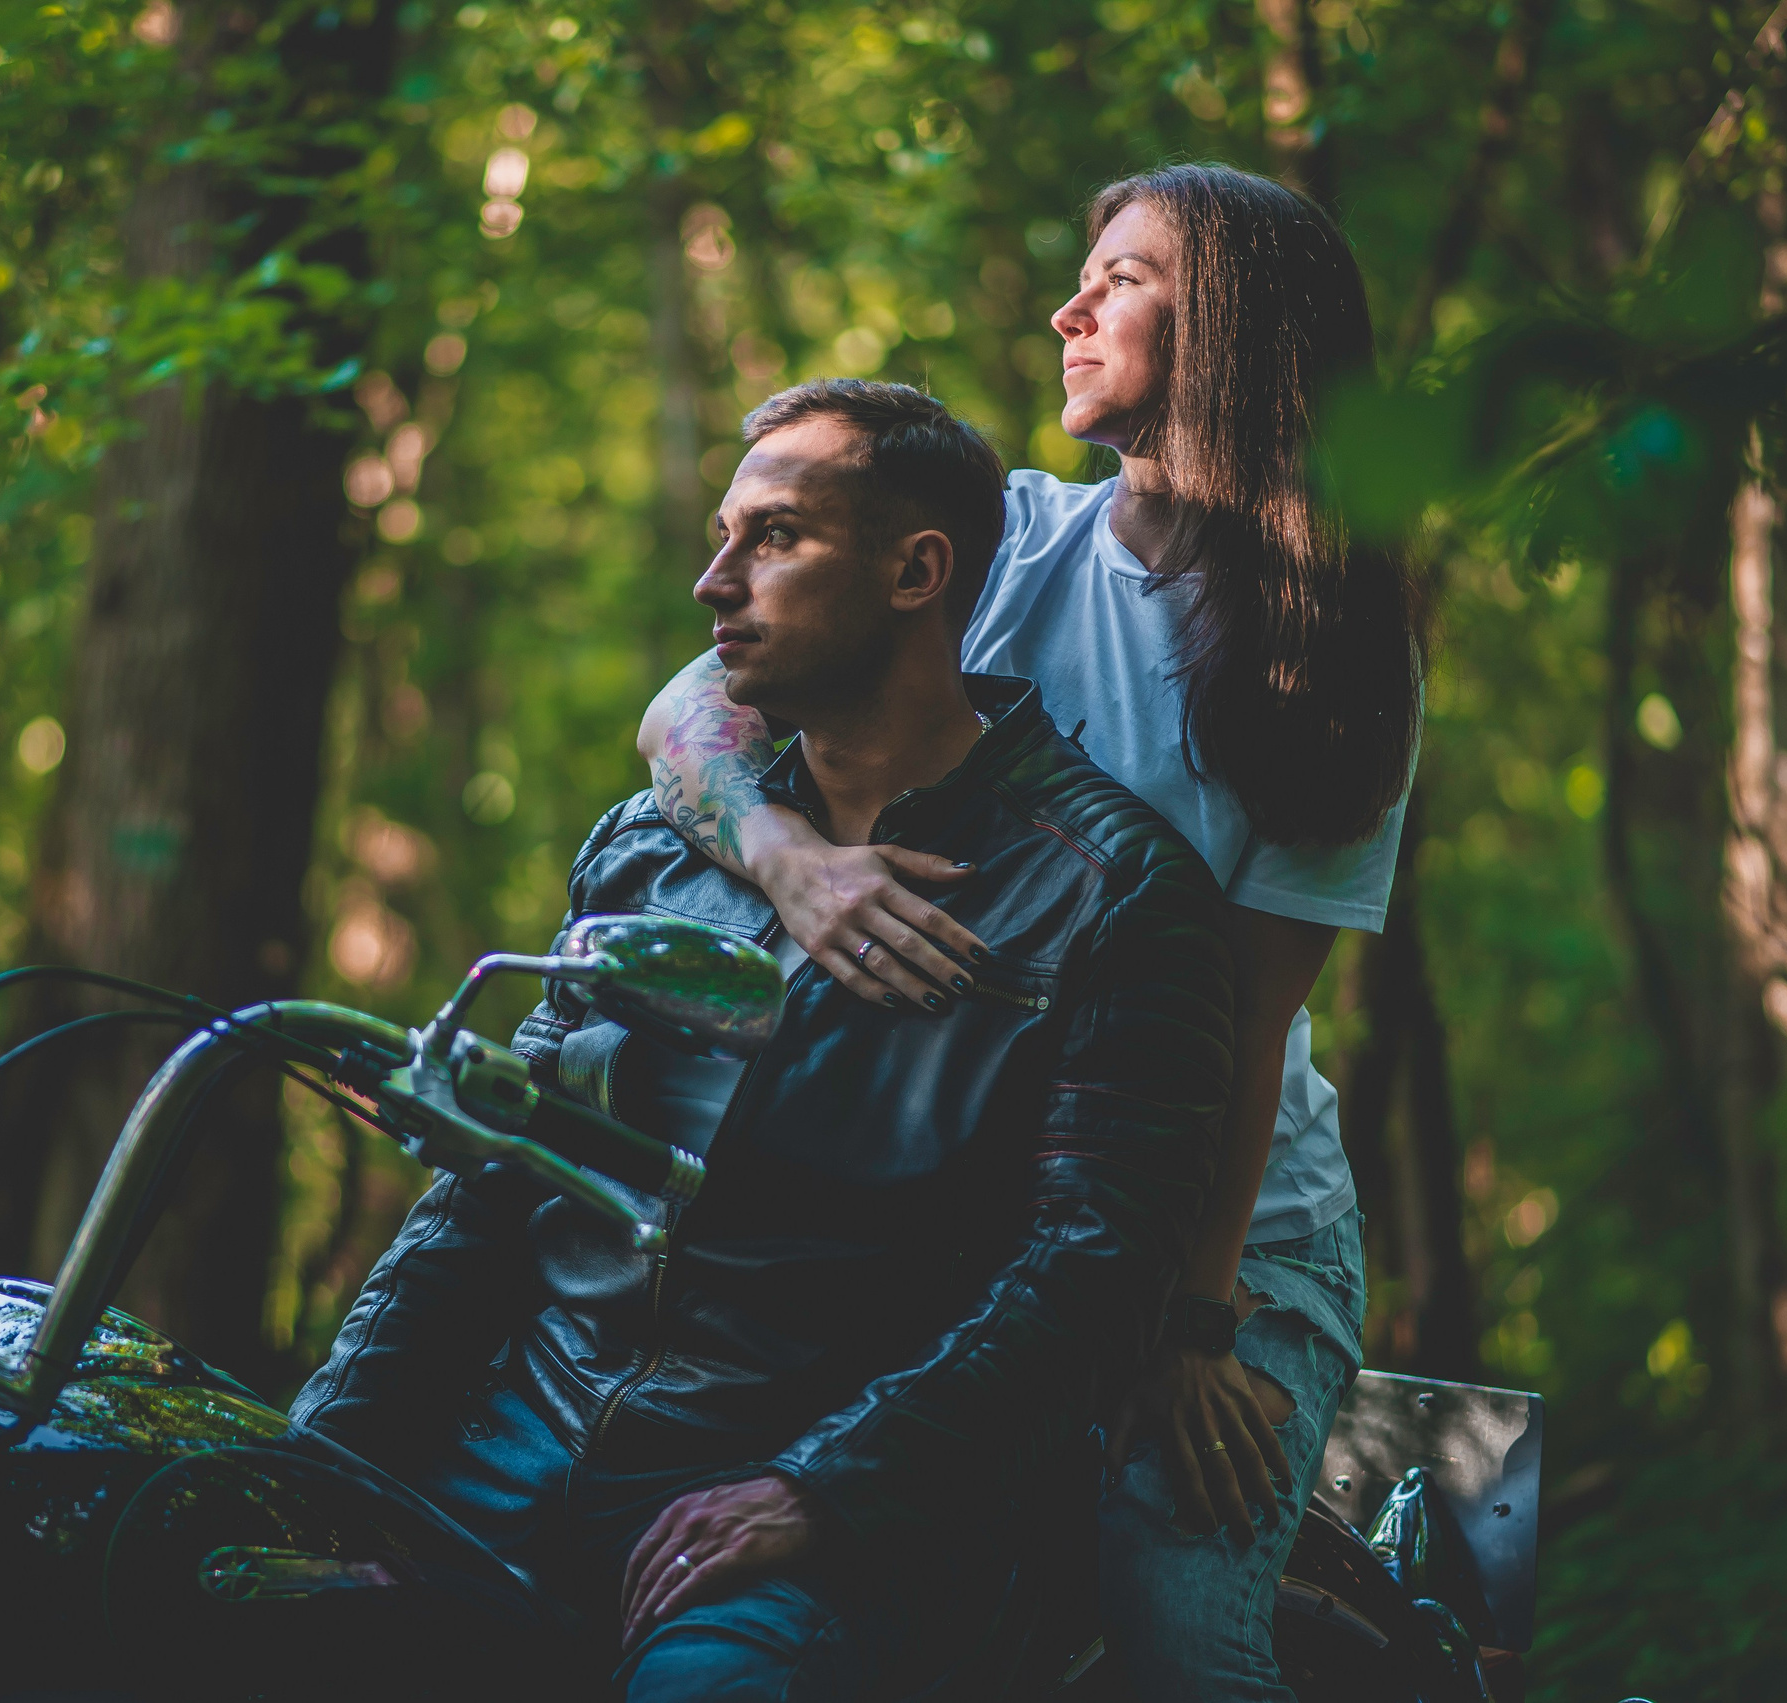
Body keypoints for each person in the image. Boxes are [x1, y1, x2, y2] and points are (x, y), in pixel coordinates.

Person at [293, 378, 1234, 1700]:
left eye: (773, 539)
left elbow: (1094, 1273)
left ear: (918, 573)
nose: (712, 581)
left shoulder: (1110, 892)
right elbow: (498, 1176)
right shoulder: (650, 847)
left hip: (816, 1525)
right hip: (508, 1449)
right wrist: (318, 1459)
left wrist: (824, 1488)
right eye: (723, 535)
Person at [635, 164, 1424, 1700]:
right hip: (969, 1209)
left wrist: (1187, 1326)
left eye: (1122, 280)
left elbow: (1248, 1031)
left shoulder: (1327, 655)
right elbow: (688, 707)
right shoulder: (1009, 551)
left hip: (1226, 1232)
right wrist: (791, 858)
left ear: (1241, 334)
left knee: (1172, 1632)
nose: (1070, 309)